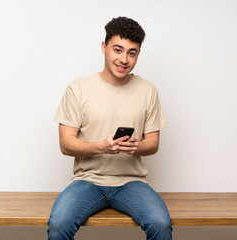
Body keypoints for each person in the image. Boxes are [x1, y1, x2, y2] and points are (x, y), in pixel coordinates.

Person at [47, 16, 172, 240]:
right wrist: (101, 147)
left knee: (161, 224)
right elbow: (66, 144)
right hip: (87, 180)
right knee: (59, 224)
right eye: (118, 50)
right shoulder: (78, 88)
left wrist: (137, 146)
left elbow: (153, 143)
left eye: (132, 53)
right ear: (104, 48)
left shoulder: (147, 90)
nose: (124, 59)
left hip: (131, 182)